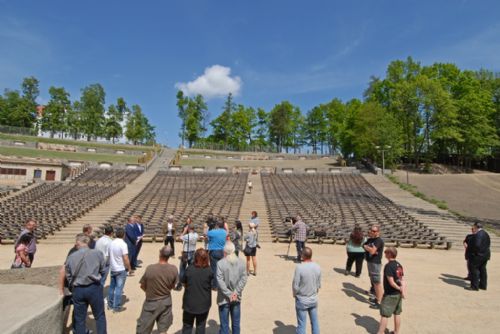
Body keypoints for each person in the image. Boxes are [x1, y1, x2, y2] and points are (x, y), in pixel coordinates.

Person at [65, 233, 107, 334]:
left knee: (79, 319)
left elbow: (68, 274)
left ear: (79, 242)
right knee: (99, 316)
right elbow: (103, 270)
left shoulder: (71, 257)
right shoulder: (98, 253)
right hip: (94, 287)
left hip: (78, 289)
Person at [136, 246, 179, 334]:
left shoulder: (150, 268)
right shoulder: (174, 269)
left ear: (160, 253)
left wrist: (150, 292)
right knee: (163, 330)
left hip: (151, 302)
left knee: (143, 330)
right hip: (166, 301)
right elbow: (174, 286)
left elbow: (142, 286)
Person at [216, 241, 248, 334]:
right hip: (236, 297)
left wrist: (230, 294)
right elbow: (244, 279)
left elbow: (220, 281)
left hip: (224, 298)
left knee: (224, 325)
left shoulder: (220, 263)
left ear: (224, 252)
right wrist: (235, 293)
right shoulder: (241, 262)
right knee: (236, 324)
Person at [181, 248, 213, 334]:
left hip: (189, 303)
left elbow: (184, 283)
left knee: (187, 326)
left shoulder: (189, 269)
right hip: (203, 303)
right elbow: (212, 285)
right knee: (201, 326)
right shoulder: (209, 270)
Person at [292, 247, 321, 334]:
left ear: (303, 255)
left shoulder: (299, 268)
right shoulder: (317, 267)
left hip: (302, 299)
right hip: (313, 298)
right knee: (315, 322)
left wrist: (294, 294)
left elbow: (295, 285)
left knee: (301, 324)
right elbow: (318, 285)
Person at [377, 247, 405, 334]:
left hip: (390, 294)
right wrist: (402, 290)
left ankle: (380, 332)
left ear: (390, 254)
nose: (385, 254)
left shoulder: (388, 266)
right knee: (397, 313)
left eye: (386, 253)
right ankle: (396, 332)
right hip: (398, 294)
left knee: (385, 314)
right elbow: (402, 279)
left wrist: (399, 288)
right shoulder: (399, 265)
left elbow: (391, 282)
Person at [108, 227, 132, 312]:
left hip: (113, 268)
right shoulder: (123, 244)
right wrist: (129, 268)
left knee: (111, 287)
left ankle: (110, 305)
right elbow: (125, 258)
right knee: (119, 288)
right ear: (124, 235)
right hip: (120, 268)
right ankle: (116, 307)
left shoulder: (111, 243)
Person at [364, 225, 385, 308]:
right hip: (370, 262)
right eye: (371, 230)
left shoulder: (378, 240)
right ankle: (376, 298)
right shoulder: (370, 239)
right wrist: (369, 248)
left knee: (377, 283)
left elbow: (372, 251)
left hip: (375, 263)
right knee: (373, 281)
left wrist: (368, 248)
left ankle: (379, 302)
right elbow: (363, 245)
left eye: (374, 231)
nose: (372, 232)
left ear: (378, 232)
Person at [466, 222, 491, 291]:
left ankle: (474, 286)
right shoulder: (486, 233)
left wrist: (473, 253)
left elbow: (477, 245)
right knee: (483, 270)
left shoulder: (478, 235)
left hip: (478, 255)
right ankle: (483, 285)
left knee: (474, 269)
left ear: (476, 227)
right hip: (485, 255)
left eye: (473, 227)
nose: (473, 228)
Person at [176, 225, 199, 290]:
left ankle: (180, 284)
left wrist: (184, 231)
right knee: (191, 268)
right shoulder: (196, 235)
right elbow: (198, 237)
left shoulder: (186, 236)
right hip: (192, 252)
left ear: (188, 229)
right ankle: (190, 282)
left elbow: (178, 238)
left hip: (186, 252)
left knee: (182, 269)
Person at [207, 220, 228, 289]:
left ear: (217, 225)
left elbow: (207, 233)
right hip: (222, 251)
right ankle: (221, 284)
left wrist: (210, 227)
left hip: (214, 251)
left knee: (214, 269)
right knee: (221, 269)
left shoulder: (212, 232)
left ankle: (215, 285)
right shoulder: (225, 232)